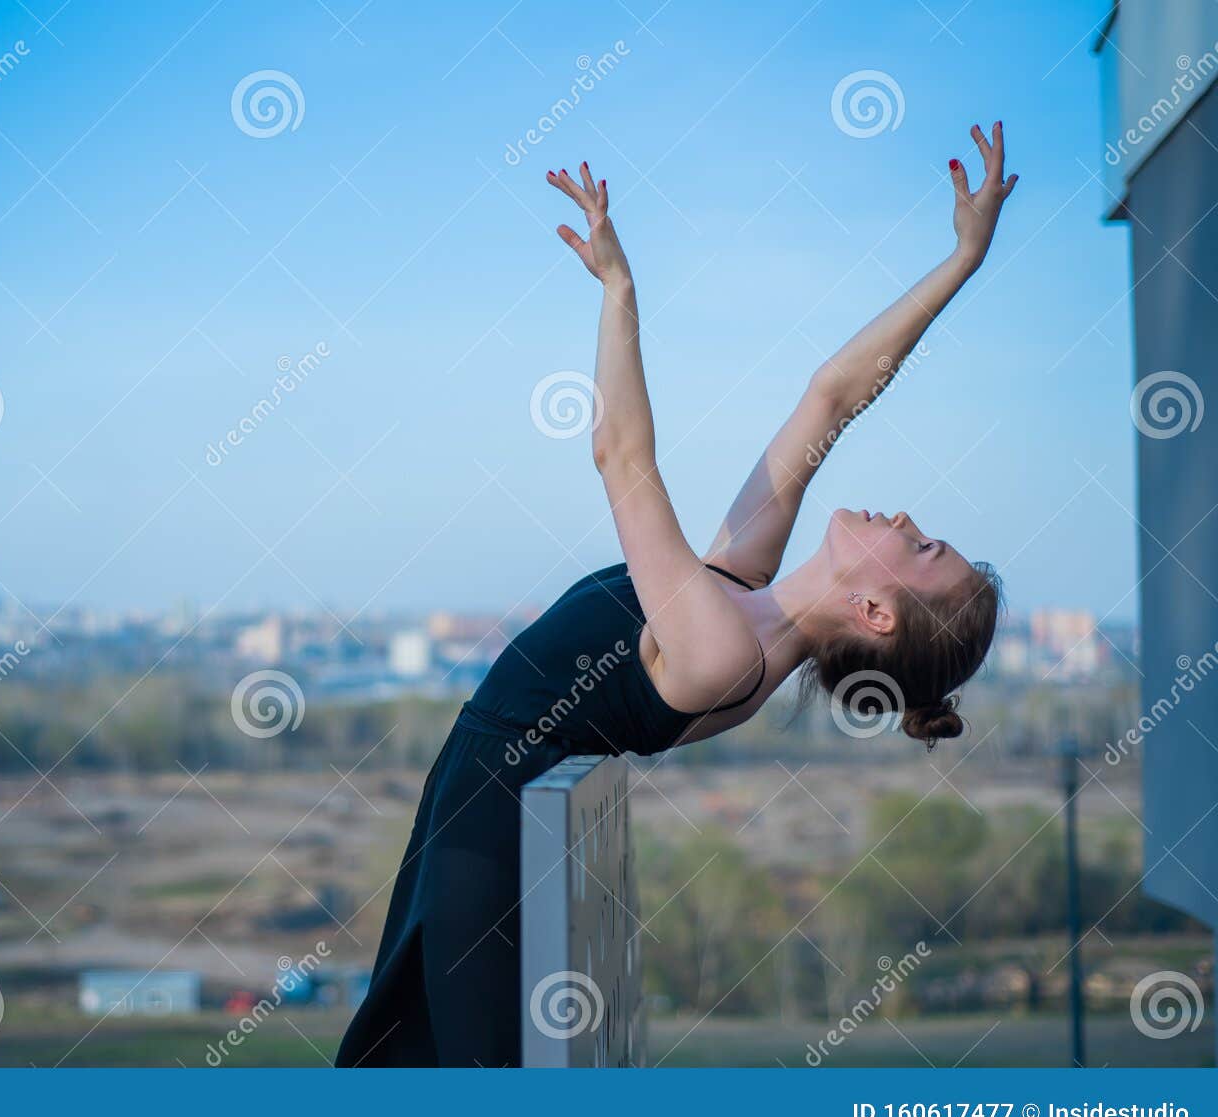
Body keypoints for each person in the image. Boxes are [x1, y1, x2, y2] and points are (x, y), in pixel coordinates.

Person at [336, 124, 1019, 1067]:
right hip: (472, 803)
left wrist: (619, 294)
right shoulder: (739, 588)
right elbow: (832, 396)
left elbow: (619, 455)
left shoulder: (720, 653)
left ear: (878, 615)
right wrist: (964, 260)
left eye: (925, 544)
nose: (906, 517)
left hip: (488, 842)